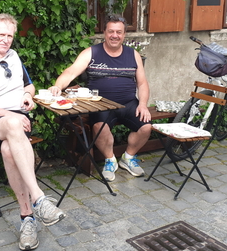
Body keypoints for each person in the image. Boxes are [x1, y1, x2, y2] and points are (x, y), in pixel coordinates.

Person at [0, 13, 65, 251]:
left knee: (10, 150)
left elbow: (28, 85)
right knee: (11, 126)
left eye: (10, 36)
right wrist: (12, 116)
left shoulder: (15, 57)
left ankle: (27, 218)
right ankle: (39, 197)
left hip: (18, 123)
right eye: (1, 35)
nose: (6, 40)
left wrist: (27, 96)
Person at [49, 14, 151, 182]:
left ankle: (128, 158)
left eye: (119, 32)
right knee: (98, 127)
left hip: (128, 103)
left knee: (146, 127)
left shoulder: (133, 55)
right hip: (100, 104)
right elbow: (71, 72)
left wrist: (143, 104)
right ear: (104, 32)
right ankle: (110, 160)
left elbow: (142, 84)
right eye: (111, 31)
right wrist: (57, 87)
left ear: (124, 35)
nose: (114, 35)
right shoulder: (91, 52)